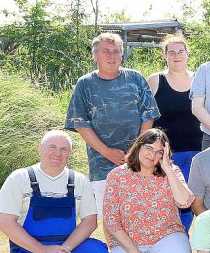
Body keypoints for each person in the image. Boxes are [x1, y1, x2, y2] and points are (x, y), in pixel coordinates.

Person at [0, 130, 112, 253]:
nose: (57, 154)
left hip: (67, 249)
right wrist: (44, 251)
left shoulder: (79, 180)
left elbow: (90, 221)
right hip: (30, 251)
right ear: (40, 149)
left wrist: (63, 250)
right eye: (52, 147)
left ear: (69, 154)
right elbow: (5, 222)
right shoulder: (20, 178)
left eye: (64, 149)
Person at [65, 32, 159, 218]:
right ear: (95, 56)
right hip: (101, 164)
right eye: (106, 51)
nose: (112, 56)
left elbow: (148, 115)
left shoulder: (135, 78)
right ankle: (116, 249)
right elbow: (81, 124)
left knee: (139, 213)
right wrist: (106, 151)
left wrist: (137, 149)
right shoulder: (85, 84)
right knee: (110, 216)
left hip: (138, 162)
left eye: (116, 51)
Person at [102, 129, 194, 253]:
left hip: (165, 236)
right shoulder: (117, 176)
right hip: (129, 243)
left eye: (159, 152)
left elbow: (184, 202)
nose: (153, 155)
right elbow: (111, 221)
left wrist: (167, 168)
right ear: (138, 146)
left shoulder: (171, 171)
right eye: (149, 148)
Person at [147, 34, 200, 232]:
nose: (177, 56)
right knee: (169, 201)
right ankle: (170, 241)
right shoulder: (155, 81)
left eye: (181, 51)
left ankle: (182, 240)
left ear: (187, 54)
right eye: (172, 52)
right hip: (166, 155)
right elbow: (146, 118)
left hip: (198, 152)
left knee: (192, 200)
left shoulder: (200, 79)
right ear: (165, 56)